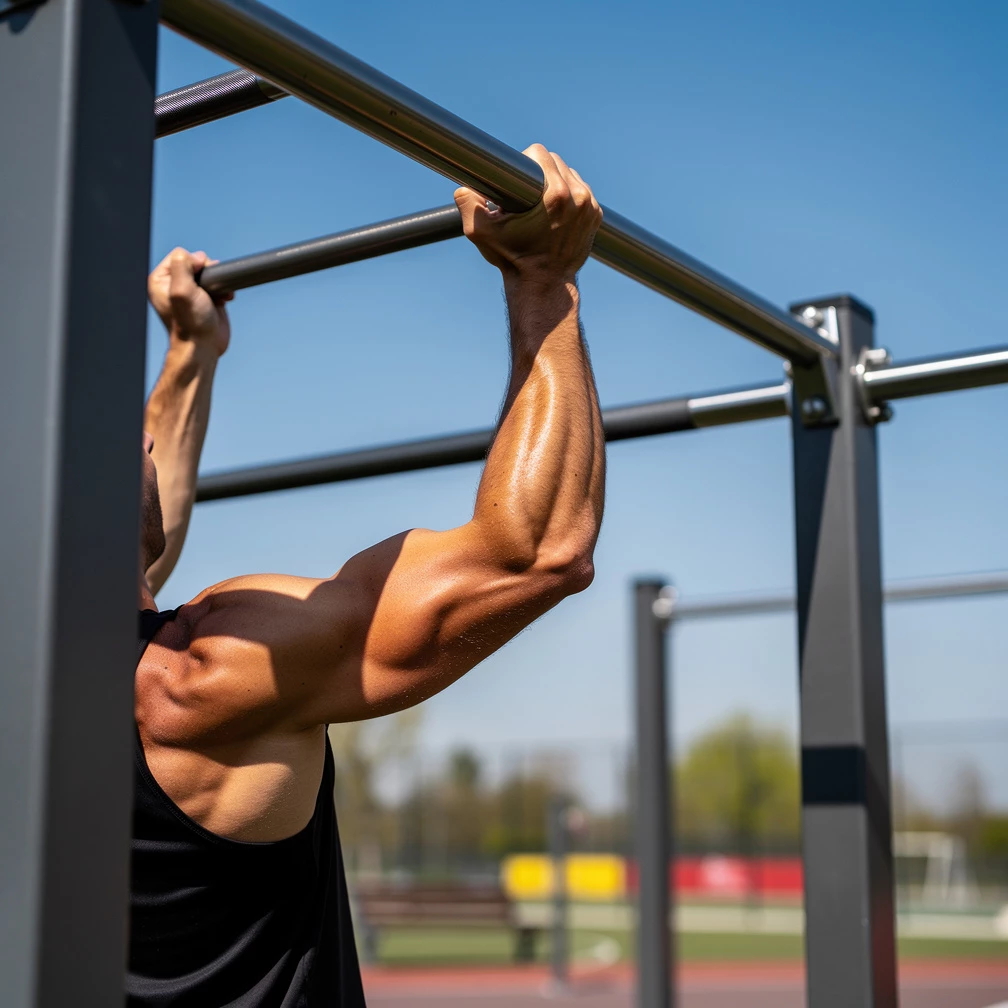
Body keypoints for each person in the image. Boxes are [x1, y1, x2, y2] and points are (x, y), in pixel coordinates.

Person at [132, 145, 606, 1006]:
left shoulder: (52, 685)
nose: (145, 440)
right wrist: (543, 282)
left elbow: (125, 556)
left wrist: (188, 357)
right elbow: (536, 552)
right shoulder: (207, 678)